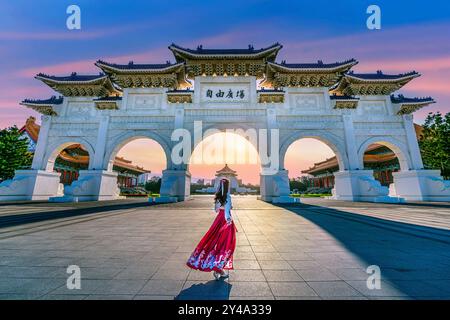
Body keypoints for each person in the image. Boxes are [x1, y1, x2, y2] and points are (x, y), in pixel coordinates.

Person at [186, 178, 237, 280]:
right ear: (227, 186)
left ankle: (217, 269)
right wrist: (228, 220)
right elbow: (227, 212)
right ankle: (219, 269)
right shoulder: (227, 196)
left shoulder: (218, 197)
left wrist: (222, 208)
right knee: (226, 245)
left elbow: (216, 210)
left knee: (213, 242)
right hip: (226, 223)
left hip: (218, 220)